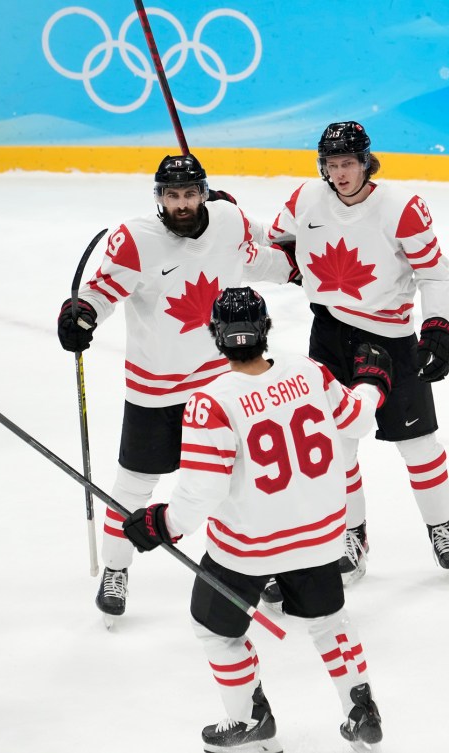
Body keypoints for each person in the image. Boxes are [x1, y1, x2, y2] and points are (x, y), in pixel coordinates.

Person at [121, 287, 387, 751]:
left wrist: (160, 523)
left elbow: (202, 492)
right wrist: (372, 384)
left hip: (250, 547)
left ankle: (250, 721)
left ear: (216, 337)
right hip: (321, 535)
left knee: (214, 629)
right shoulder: (308, 371)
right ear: (265, 330)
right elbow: (358, 420)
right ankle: (359, 708)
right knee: (329, 619)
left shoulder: (212, 401)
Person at [56, 154, 300, 625]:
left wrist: (301, 268)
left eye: (190, 194)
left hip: (218, 386)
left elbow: (262, 254)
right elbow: (103, 290)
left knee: (236, 479)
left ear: (204, 193)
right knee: (135, 483)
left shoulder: (228, 220)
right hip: (156, 388)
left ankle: (255, 565)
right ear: (159, 198)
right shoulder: (136, 239)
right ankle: (116, 568)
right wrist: (80, 314)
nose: (182, 204)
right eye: (172, 196)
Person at [266, 120, 449, 584]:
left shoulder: (401, 208)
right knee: (338, 447)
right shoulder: (305, 200)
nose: (340, 173)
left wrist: (437, 326)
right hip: (329, 334)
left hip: (390, 338)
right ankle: (353, 535)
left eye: (348, 163)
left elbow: (435, 273)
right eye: (332, 165)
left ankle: (441, 529)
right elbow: (275, 240)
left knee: (417, 445)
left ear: (365, 162)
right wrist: (224, 219)